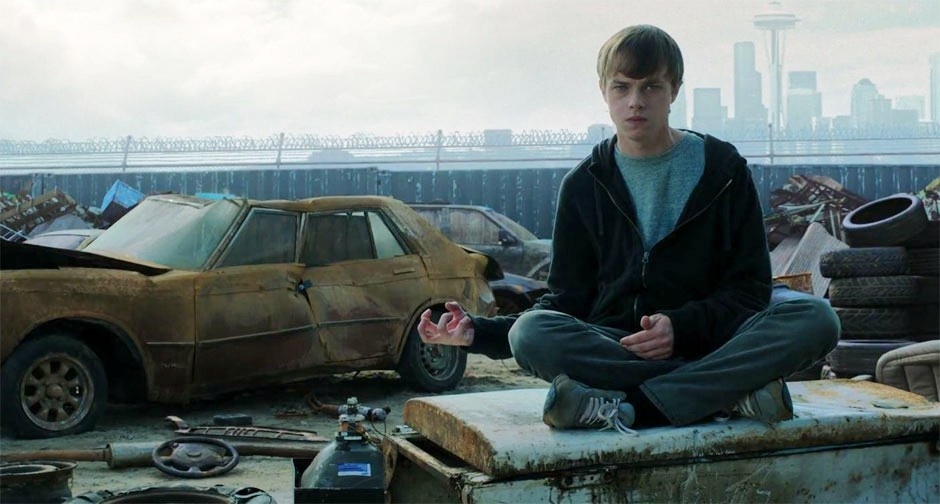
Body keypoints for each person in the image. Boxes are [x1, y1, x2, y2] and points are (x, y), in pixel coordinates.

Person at [418, 24, 840, 434]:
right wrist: (480, 332)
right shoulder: (584, 185)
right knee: (533, 334)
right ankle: (723, 393)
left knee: (816, 318)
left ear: (674, 90)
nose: (635, 102)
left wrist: (681, 327)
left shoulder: (723, 171)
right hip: (619, 345)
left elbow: (750, 289)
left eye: (651, 87)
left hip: (715, 338)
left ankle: (638, 405)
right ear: (604, 91)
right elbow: (566, 300)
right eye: (622, 87)